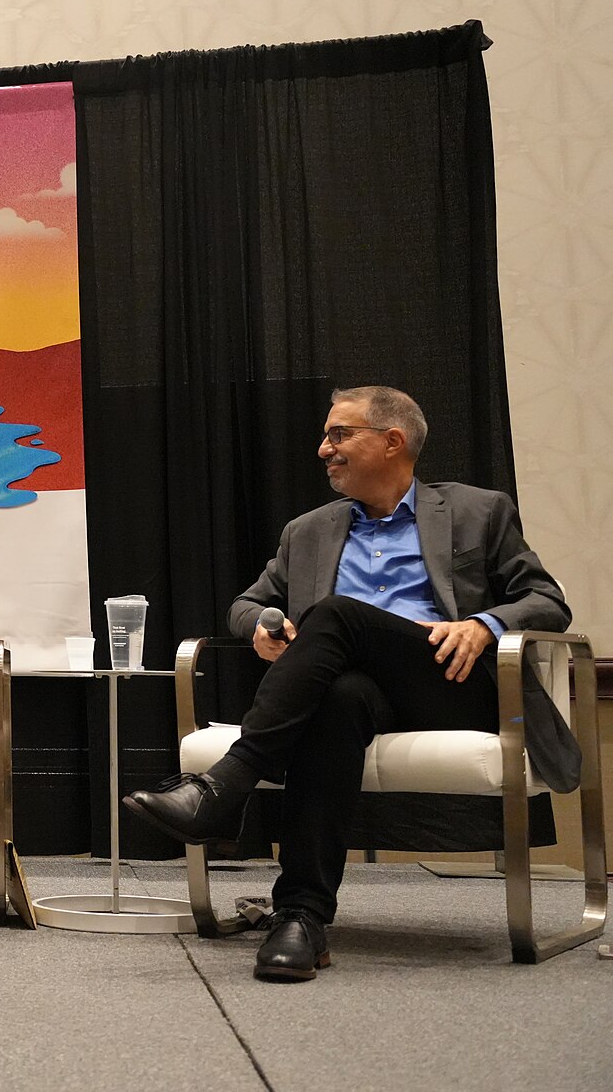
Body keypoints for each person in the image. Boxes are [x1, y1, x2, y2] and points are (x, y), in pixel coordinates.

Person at [123, 386, 575, 982]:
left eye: (339, 435)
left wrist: (483, 624)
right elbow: (247, 604)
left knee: (336, 614)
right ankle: (301, 917)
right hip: (361, 695)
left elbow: (547, 601)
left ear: (392, 441)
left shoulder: (476, 510)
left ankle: (224, 786)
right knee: (335, 698)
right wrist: (261, 623)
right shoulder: (308, 531)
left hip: (449, 682)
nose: (323, 449)